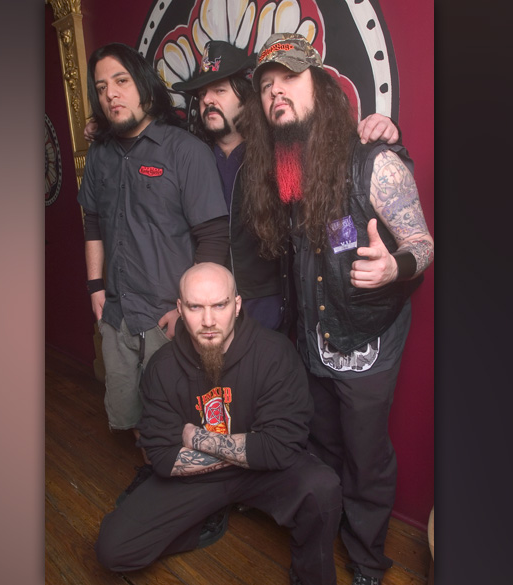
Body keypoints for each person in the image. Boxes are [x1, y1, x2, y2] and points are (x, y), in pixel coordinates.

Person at [238, 33, 435, 585]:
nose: (275, 93)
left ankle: (369, 561)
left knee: (366, 457)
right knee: (322, 444)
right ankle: (328, 532)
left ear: (321, 87)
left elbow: (423, 243)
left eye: (289, 79)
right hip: (313, 343)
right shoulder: (281, 172)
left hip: (368, 342)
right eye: (267, 87)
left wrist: (394, 266)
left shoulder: (373, 162)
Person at [95, 262, 342, 585]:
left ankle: (310, 576)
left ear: (237, 305)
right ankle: (205, 519)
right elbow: (163, 458)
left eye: (220, 305)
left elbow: (280, 449)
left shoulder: (274, 353)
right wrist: (253, 447)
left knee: (322, 487)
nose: (208, 321)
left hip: (262, 475)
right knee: (112, 550)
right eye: (196, 307)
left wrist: (194, 437)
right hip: (200, 479)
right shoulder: (162, 368)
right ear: (180, 309)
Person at [169, 40, 402, 332]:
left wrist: (384, 127)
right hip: (210, 303)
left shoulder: (278, 151)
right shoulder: (193, 156)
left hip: (268, 303)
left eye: (219, 90)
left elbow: (330, 142)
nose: (208, 101)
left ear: (245, 97)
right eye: (202, 95)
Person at [78, 42, 230, 465]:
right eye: (102, 86)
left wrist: (190, 309)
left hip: (167, 315)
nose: (112, 93)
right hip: (117, 312)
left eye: (122, 81)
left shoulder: (185, 152)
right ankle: (155, 477)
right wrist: (95, 287)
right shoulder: (99, 155)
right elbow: (93, 222)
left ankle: (182, 494)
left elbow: (213, 237)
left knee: (179, 416)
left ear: (144, 86)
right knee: (134, 415)